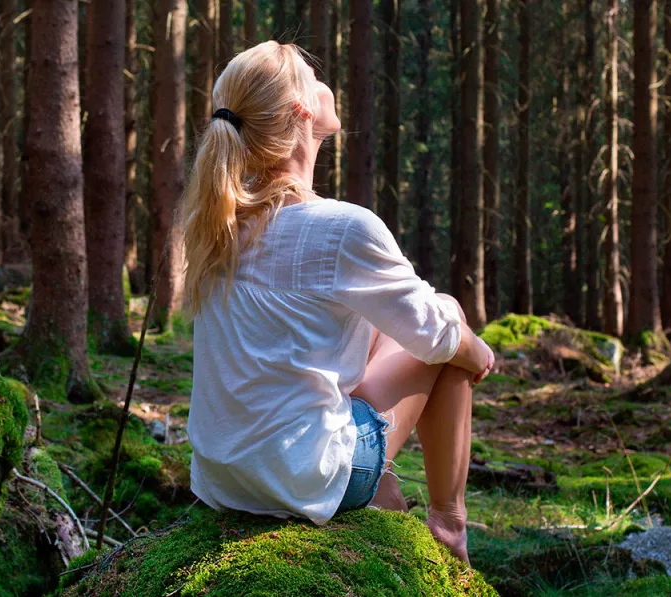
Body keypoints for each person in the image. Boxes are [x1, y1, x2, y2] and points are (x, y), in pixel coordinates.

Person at [182, 41, 495, 563]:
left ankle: (385, 496)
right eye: (311, 71)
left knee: (374, 325)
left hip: (222, 480)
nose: (326, 79)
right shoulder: (341, 229)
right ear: (303, 109)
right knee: (450, 314)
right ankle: (449, 524)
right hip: (302, 482)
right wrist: (478, 352)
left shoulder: (219, 226)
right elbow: (435, 334)